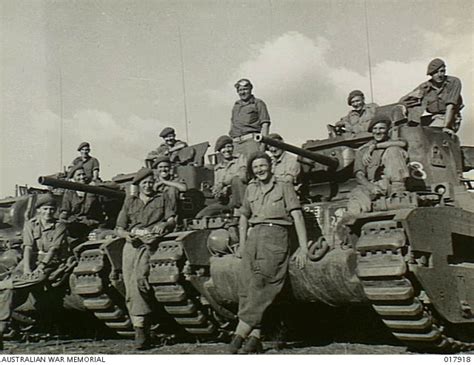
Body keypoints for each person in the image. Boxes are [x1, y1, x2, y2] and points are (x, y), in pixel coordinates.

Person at [229, 152, 310, 354]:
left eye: (263, 165)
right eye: (256, 167)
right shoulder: (251, 188)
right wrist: (242, 243)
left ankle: (240, 331)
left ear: (271, 165)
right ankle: (255, 336)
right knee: (246, 285)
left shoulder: (283, 186)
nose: (260, 170)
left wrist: (303, 246)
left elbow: (297, 216)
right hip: (254, 236)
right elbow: (243, 217)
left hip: (276, 235)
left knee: (263, 283)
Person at [115, 168, 177, 350]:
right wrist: (127, 235)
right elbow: (119, 227)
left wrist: (164, 224)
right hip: (132, 244)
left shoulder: (162, 198)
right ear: (139, 185)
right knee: (130, 283)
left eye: (150, 182)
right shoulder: (130, 201)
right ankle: (141, 329)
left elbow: (172, 219)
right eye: (144, 183)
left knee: (140, 279)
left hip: (152, 243)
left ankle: (142, 328)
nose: (148, 185)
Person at [0, 194, 69, 350]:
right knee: (11, 291)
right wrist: (26, 268)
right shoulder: (31, 224)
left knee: (37, 278)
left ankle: (3, 284)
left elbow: (54, 249)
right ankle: (0, 331)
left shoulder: (60, 226)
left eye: (51, 209)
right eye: (45, 209)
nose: (48, 212)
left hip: (52, 261)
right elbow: (28, 247)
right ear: (38, 210)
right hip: (30, 259)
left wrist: (40, 267)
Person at [347, 116, 409, 214]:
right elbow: (359, 175)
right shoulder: (363, 150)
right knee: (355, 206)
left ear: (388, 130)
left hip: (392, 184)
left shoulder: (395, 142)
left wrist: (375, 146)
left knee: (393, 150)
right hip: (373, 185)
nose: (378, 132)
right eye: (375, 129)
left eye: (381, 128)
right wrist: (371, 187)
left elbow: (402, 143)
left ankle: (398, 191)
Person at [399, 58, 463, 133]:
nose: (440, 75)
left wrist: (446, 127)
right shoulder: (425, 87)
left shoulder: (453, 82)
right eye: (436, 72)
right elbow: (402, 101)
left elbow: (451, 106)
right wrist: (410, 96)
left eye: (442, 71)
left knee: (430, 133)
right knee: (409, 129)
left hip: (451, 118)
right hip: (434, 117)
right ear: (431, 74)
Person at [196, 136, 247, 218]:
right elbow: (217, 186)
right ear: (219, 151)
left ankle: (241, 212)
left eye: (229, 146)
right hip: (227, 201)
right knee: (201, 216)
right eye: (223, 148)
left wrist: (224, 184)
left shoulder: (240, 159)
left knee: (236, 180)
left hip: (242, 199)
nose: (227, 150)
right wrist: (218, 192)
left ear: (233, 147)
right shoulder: (217, 168)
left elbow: (242, 176)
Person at [60, 165, 105, 239]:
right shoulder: (69, 193)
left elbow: (100, 209)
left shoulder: (92, 190)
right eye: (78, 175)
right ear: (73, 178)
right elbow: (65, 210)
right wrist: (62, 221)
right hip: (75, 225)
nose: (82, 177)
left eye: (83, 174)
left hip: (92, 224)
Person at [230, 79, 271, 158]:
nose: (242, 92)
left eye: (245, 89)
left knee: (253, 166)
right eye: (240, 90)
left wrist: (263, 145)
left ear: (251, 89)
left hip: (251, 141)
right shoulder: (236, 105)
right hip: (236, 144)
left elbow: (265, 124)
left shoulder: (258, 103)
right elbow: (232, 124)